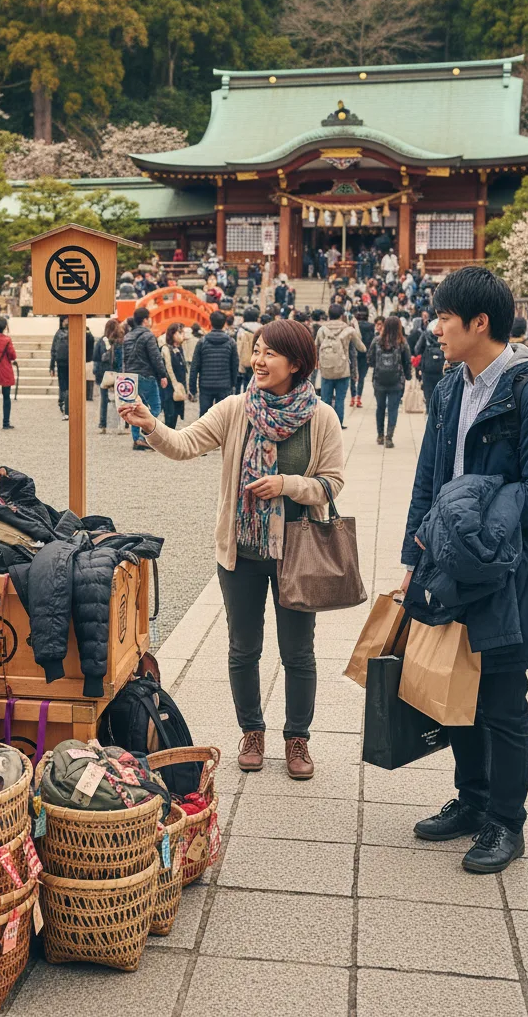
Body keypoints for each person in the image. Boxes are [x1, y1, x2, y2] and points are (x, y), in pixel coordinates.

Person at [118, 319, 344, 776]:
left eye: (269, 354)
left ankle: (297, 739)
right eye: (256, 350)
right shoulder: (236, 409)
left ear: (296, 363)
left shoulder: (321, 417)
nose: (258, 360)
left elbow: (331, 484)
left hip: (297, 552)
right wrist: (150, 424)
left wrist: (288, 484)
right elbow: (184, 445)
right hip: (240, 551)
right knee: (244, 648)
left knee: (298, 652)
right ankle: (252, 731)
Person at [402, 266, 528, 874]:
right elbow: (430, 476)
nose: (436, 327)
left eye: (445, 317)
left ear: (480, 323)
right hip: (447, 559)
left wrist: (476, 515)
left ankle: (507, 822)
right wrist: (412, 554)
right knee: (457, 688)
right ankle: (472, 801)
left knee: (502, 695)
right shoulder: (451, 385)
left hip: (508, 565)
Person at [121, 306, 168, 451]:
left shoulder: (127, 336)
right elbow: (156, 357)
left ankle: (137, 439)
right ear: (145, 320)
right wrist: (163, 375)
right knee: (155, 406)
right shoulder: (148, 336)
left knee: (134, 408)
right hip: (146, 375)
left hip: (130, 377)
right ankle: (142, 434)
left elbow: (124, 358)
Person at [315, 304, 365, 427]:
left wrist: (317, 361)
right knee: (340, 400)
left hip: (326, 370)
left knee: (325, 400)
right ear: (342, 315)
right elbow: (362, 348)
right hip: (343, 370)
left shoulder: (322, 330)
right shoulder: (348, 329)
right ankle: (337, 425)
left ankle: (324, 425)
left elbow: (316, 346)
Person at [367, 316, 412, 448]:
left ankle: (380, 435)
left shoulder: (377, 341)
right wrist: (408, 377)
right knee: (393, 409)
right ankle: (389, 437)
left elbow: (369, 359)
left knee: (380, 408)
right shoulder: (402, 342)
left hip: (379, 380)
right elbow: (407, 362)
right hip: (396, 381)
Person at [190, 311, 238, 416]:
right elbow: (234, 365)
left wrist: (192, 389)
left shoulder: (202, 342)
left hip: (205, 385)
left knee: (204, 417)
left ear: (211, 323)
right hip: (224, 385)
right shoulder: (231, 342)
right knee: (223, 416)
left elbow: (195, 366)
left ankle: (204, 433)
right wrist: (233, 384)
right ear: (224, 323)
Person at [93, 319, 123, 434]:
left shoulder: (102, 340)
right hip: (117, 374)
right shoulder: (120, 341)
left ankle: (103, 425)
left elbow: (96, 357)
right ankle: (120, 426)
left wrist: (97, 374)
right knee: (120, 400)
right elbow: (121, 359)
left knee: (104, 400)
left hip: (104, 375)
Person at [160, 323, 188, 429]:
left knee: (176, 412)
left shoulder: (180, 348)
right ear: (172, 334)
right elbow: (169, 368)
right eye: (179, 332)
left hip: (179, 386)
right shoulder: (166, 348)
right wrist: (175, 383)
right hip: (170, 386)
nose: (182, 335)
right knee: (170, 414)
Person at [415, 317, 446, 406]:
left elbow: (417, 349)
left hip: (427, 369)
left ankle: (430, 414)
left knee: (429, 395)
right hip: (441, 368)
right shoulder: (444, 334)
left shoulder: (426, 334)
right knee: (441, 395)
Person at [350, 306, 372, 408]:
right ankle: (359, 398)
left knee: (353, 375)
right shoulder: (371, 326)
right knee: (362, 377)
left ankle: (352, 397)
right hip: (365, 353)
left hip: (354, 353)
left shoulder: (354, 326)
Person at [235, 307, 261, 392]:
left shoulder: (240, 329)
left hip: (243, 360)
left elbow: (238, 348)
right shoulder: (262, 329)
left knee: (238, 383)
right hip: (258, 361)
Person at [50, 315, 71, 419]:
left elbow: (53, 350)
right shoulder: (71, 333)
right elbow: (53, 350)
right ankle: (65, 406)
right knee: (66, 386)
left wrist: (52, 366)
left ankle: (63, 404)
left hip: (62, 362)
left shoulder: (58, 333)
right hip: (67, 362)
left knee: (64, 386)